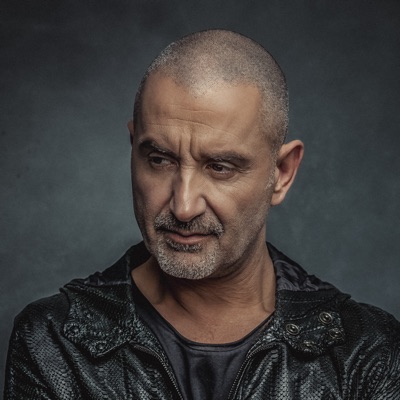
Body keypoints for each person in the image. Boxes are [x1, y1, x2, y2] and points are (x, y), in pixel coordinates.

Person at [4, 29, 400, 400]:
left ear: (281, 173)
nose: (183, 206)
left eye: (220, 167)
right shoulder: (54, 341)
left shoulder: (365, 351)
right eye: (159, 160)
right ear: (133, 148)